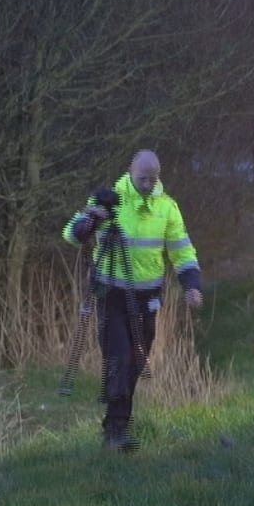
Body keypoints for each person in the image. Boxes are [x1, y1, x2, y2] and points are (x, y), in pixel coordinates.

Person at [62, 150, 203, 451]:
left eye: (154, 179)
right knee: (119, 358)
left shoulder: (167, 208)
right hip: (111, 295)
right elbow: (71, 235)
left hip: (147, 300)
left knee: (137, 361)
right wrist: (92, 220)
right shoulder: (108, 200)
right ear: (130, 172)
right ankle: (115, 429)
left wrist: (192, 285)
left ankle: (118, 422)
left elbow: (182, 252)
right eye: (143, 179)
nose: (148, 184)